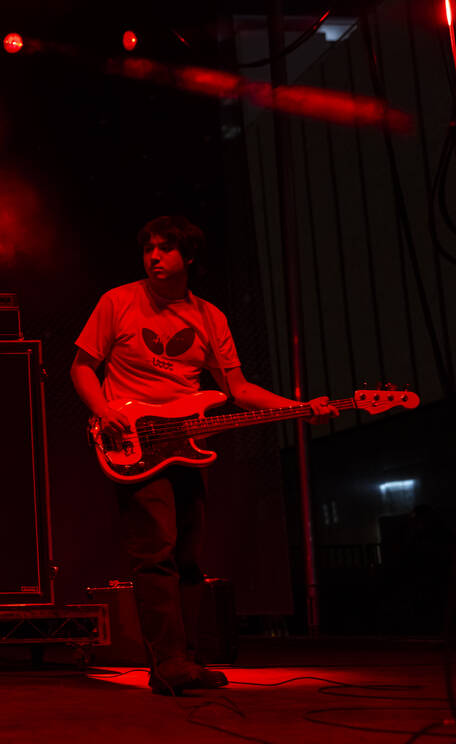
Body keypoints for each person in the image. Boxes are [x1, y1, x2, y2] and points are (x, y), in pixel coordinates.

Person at [69, 215, 337, 695]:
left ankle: (187, 660)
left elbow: (237, 389)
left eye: (165, 249)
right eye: (148, 248)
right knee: (156, 551)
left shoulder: (210, 318)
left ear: (188, 257)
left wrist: (299, 409)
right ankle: (167, 663)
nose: (154, 256)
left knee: (189, 556)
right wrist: (104, 410)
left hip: (188, 447)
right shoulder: (119, 302)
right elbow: (82, 367)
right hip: (134, 442)